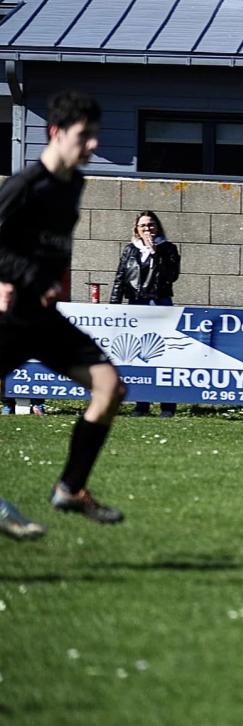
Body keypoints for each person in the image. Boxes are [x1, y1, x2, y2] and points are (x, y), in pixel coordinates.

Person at [0, 90, 127, 526]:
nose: (93, 145)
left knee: (110, 388)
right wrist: (23, 277)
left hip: (43, 318)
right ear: (55, 132)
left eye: (95, 135)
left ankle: (70, 489)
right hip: (10, 316)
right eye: (84, 136)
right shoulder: (24, 186)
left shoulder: (73, 183)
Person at [111, 210, 180, 417]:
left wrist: (155, 252)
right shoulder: (130, 250)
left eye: (150, 225)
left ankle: (167, 405)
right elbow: (120, 278)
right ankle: (142, 404)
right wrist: (113, 306)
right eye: (143, 226)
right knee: (140, 355)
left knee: (163, 354)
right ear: (136, 229)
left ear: (157, 227)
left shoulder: (168, 249)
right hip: (137, 303)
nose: (147, 229)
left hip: (159, 302)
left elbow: (172, 275)